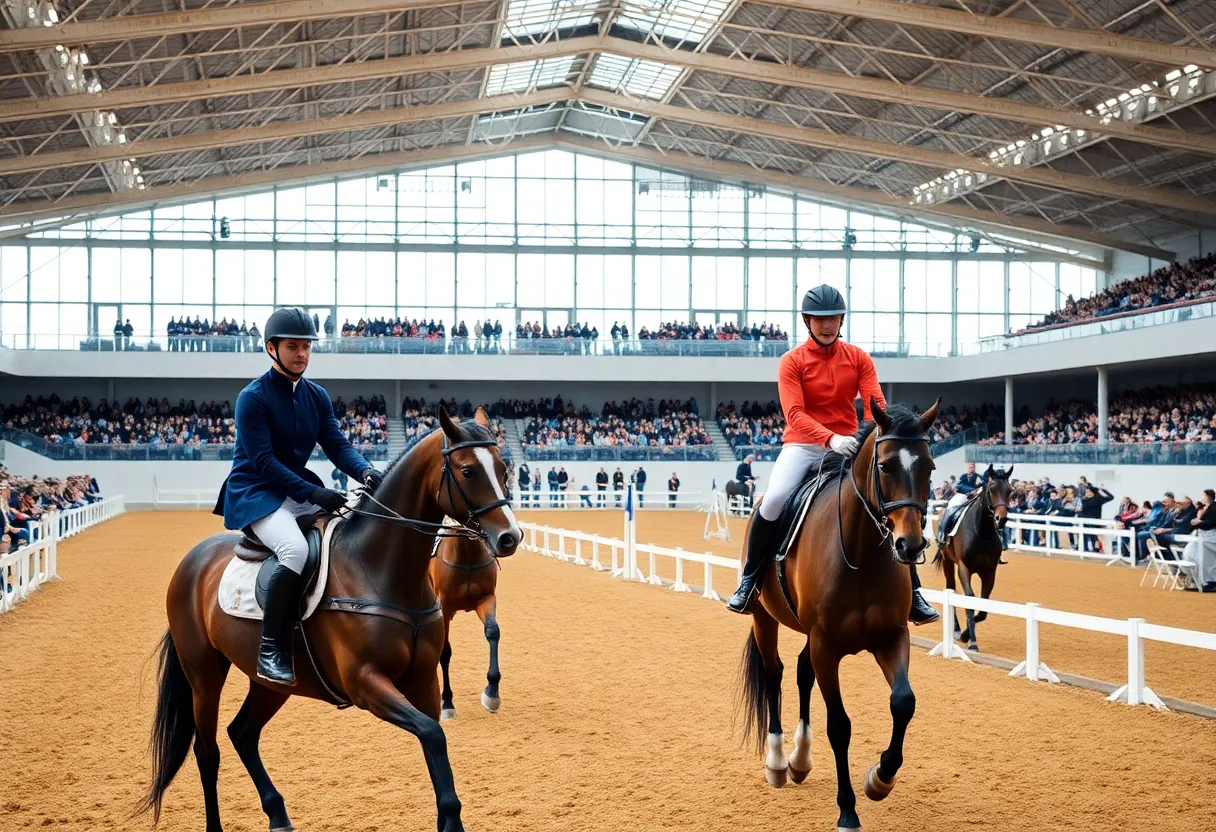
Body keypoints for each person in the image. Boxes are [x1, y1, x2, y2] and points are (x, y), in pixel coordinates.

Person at [724, 284, 939, 625]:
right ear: (807, 321)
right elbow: (794, 414)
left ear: (841, 320)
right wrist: (830, 439)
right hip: (803, 445)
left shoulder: (857, 358)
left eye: (834, 318)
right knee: (774, 500)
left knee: (885, 504)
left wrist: (875, 435)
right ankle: (749, 581)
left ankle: (912, 591)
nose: (827, 325)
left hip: (850, 445)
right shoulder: (791, 361)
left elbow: (876, 406)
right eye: (820, 319)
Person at [213, 307, 384, 687]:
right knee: (294, 549)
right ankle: (271, 649)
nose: (302, 354)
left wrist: (367, 471)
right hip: (256, 491)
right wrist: (315, 493)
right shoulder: (252, 398)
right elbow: (263, 461)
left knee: (350, 527)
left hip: (296, 488)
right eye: (293, 346)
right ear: (272, 349)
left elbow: (338, 446)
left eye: (306, 346)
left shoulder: (316, 396)